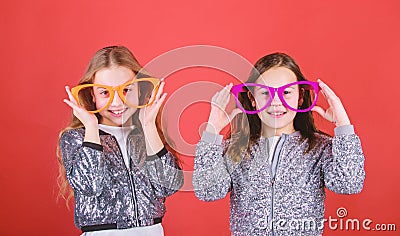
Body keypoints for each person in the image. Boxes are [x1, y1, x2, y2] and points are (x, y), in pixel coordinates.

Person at [193, 52, 365, 235]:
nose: (275, 102)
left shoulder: (319, 148)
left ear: (300, 99)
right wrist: (211, 132)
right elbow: (208, 191)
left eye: (286, 92)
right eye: (265, 92)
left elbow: (350, 183)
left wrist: (343, 125)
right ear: (252, 100)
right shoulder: (236, 149)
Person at [57, 45, 183, 235]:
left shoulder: (147, 134)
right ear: (92, 94)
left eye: (126, 90)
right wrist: (91, 128)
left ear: (139, 89)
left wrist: (149, 126)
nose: (117, 102)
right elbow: (89, 185)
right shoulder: (76, 138)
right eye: (105, 93)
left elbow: (167, 185)